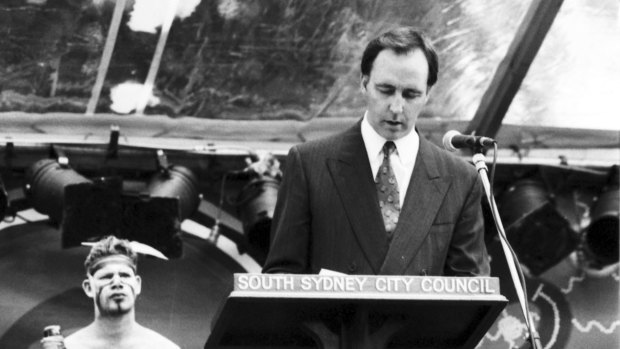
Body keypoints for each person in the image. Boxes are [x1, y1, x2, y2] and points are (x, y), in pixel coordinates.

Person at [262, 27, 490, 276]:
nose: (396, 107)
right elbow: (281, 279)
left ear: (428, 94)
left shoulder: (460, 179)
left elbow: (471, 289)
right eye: (386, 90)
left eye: (411, 94)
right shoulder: (309, 164)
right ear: (364, 83)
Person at [44, 236, 180, 349]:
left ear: (137, 284)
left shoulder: (163, 347)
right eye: (106, 276)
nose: (117, 282)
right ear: (88, 287)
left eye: (125, 275)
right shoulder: (71, 346)